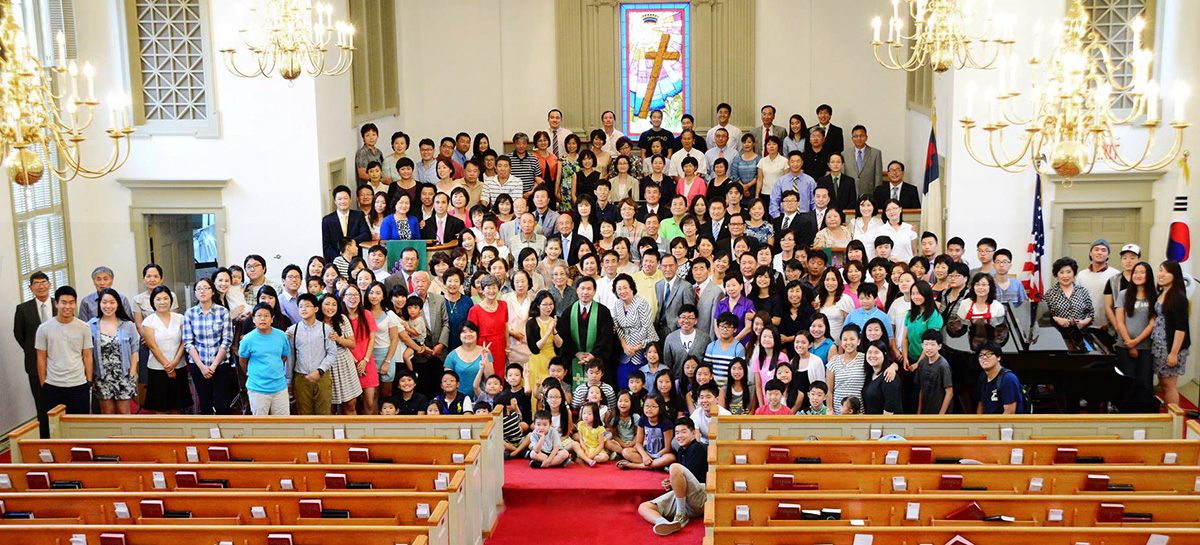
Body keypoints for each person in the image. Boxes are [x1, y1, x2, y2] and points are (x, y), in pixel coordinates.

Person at [636, 416, 707, 536]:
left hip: (700, 496)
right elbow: (681, 478)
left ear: (693, 433)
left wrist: (674, 479)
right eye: (677, 433)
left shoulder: (697, 448)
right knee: (644, 507)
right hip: (684, 499)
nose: (679, 436)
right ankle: (663, 523)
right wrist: (672, 482)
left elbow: (690, 476)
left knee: (674, 467)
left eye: (684, 432)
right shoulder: (681, 450)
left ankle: (681, 515)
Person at [36, 285, 93, 416]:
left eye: (71, 303)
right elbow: (41, 358)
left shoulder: (84, 327)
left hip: (78, 383)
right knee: (51, 426)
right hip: (53, 384)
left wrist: (88, 380)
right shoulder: (44, 328)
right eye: (64, 302)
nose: (68, 307)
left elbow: (87, 355)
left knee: (79, 425)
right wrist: (43, 383)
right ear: (56, 304)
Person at [183, 278, 234, 415]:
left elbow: (227, 340)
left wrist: (213, 366)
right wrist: (202, 367)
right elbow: (188, 342)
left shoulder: (223, 312)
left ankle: (225, 436)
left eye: (206, 288)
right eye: (199, 288)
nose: (202, 291)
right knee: (205, 405)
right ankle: (208, 435)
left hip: (220, 364)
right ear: (195, 293)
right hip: (199, 365)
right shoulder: (190, 314)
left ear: (212, 292)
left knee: (222, 405)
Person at [14, 272, 55, 434]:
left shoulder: (59, 305)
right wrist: (37, 352)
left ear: (49, 285)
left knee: (60, 403)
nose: (41, 286)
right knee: (42, 403)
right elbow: (20, 335)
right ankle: (45, 439)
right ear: (31, 288)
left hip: (60, 363)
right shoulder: (23, 309)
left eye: (44, 282)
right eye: (36, 283)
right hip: (35, 364)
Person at [88, 288, 139, 414]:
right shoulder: (91, 326)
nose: (108, 306)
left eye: (112, 302)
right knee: (107, 413)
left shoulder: (128, 325)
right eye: (104, 302)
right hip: (102, 377)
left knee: (124, 413)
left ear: (117, 304)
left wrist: (131, 375)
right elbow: (87, 354)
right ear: (99, 304)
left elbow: (134, 350)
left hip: (123, 376)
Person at [1114, 261, 1156, 411]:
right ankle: (1126, 416)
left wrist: (1136, 342)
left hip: (1146, 347)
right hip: (1123, 346)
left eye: (1142, 272)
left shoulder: (1155, 295)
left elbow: (1153, 323)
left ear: (1148, 275)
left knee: (1144, 383)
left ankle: (1144, 418)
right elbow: (1120, 321)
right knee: (1128, 381)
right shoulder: (1124, 294)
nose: (1138, 275)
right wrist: (1128, 342)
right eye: (1135, 272)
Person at [558, 277, 616, 386]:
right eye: (582, 288)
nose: (585, 292)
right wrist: (576, 353)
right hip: (575, 359)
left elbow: (606, 337)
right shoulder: (568, 312)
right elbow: (564, 336)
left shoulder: (603, 312)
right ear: (577, 290)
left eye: (589, 289)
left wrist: (593, 355)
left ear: (594, 291)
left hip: (598, 359)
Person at [285, 294, 336, 415]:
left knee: (324, 414)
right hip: (301, 377)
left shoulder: (325, 329)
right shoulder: (293, 330)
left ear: (316, 309)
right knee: (304, 414)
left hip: (322, 376)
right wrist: (289, 380)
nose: (303, 309)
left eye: (307, 306)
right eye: (300, 306)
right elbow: (290, 357)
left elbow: (332, 353)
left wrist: (320, 371)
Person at [237, 303, 290, 415]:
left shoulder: (281, 336)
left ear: (272, 319)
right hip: (257, 388)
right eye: (259, 315)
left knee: (283, 424)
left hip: (279, 387)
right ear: (253, 320)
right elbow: (243, 361)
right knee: (260, 425)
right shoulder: (248, 339)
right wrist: (254, 373)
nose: (262, 319)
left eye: (266, 316)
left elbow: (284, 356)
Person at [1153, 260, 1190, 408]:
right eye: (1160, 270)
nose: (1161, 274)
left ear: (1175, 275)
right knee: (1163, 383)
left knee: (1169, 385)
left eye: (1166, 271)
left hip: (1171, 347)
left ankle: (1174, 420)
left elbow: (1181, 328)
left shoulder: (1179, 297)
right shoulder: (1162, 292)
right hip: (1159, 346)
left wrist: (1173, 353)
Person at [613, 274, 657, 387]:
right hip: (626, 351)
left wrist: (635, 348)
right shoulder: (617, 305)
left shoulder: (641, 303)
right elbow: (617, 327)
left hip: (643, 347)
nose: (622, 291)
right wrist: (624, 345)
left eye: (625, 287)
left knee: (640, 384)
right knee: (623, 381)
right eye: (619, 288)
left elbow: (646, 326)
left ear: (631, 288)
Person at [1075, 239, 1122, 332]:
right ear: (1090, 253)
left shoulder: (1115, 275)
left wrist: (1111, 323)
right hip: (1084, 326)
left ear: (1108, 255)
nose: (1099, 252)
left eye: (1103, 250)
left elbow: (1119, 302)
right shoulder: (1081, 275)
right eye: (1096, 249)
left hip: (1107, 327)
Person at [321, 185, 371, 261]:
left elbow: (366, 234)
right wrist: (340, 259)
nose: (343, 201)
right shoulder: (327, 220)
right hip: (336, 260)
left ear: (350, 199)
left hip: (356, 259)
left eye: (345, 198)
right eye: (339, 199)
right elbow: (326, 245)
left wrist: (352, 242)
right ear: (335, 201)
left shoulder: (358, 215)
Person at [1044, 257, 1095, 331]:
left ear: (1074, 273)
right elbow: (1043, 316)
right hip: (1057, 333)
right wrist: (1057, 319)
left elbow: (1090, 313)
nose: (1065, 276)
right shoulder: (1050, 293)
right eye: (1061, 272)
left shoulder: (1082, 291)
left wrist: (1083, 322)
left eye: (1068, 272)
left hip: (1080, 333)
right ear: (1056, 275)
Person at [976, 342, 1024, 414]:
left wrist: (994, 425)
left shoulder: (1008, 379)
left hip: (1007, 424)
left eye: (989, 354)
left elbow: (1009, 413)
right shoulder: (983, 377)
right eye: (981, 355)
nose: (984, 357)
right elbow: (981, 404)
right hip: (988, 423)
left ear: (998, 357)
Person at [770, 151, 817, 218]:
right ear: (788, 163)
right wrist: (778, 218)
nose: (795, 164)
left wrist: (813, 218)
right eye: (792, 162)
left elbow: (815, 202)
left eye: (798, 161)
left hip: (805, 217)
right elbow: (774, 203)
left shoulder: (810, 181)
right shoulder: (780, 182)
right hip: (785, 216)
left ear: (802, 163)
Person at [861, 340, 901, 415]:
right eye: (869, 352)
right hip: (871, 423)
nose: (872, 355)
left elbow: (890, 407)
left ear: (884, 354)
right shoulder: (869, 375)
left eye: (876, 352)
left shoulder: (889, 376)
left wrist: (883, 425)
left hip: (885, 424)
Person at [842, 125, 883, 198]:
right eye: (855, 136)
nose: (859, 138)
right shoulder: (845, 154)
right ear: (852, 138)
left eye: (861, 136)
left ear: (866, 137)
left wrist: (878, 194)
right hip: (850, 193)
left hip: (869, 193)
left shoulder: (876, 153)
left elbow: (878, 176)